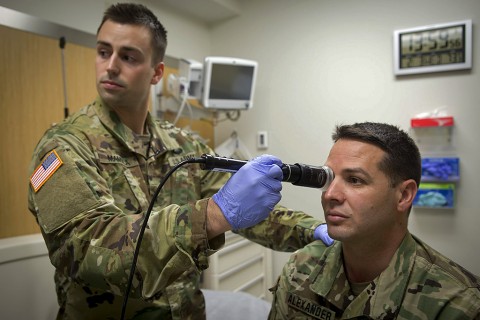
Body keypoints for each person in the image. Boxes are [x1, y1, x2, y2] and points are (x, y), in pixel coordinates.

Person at [27, 3, 332, 320]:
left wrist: (314, 230)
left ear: (157, 72)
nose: (111, 66)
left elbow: (249, 210)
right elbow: (86, 253)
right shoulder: (63, 147)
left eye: (128, 57)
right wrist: (211, 215)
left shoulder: (184, 146)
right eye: (103, 52)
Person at [269, 122, 480, 319]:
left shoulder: (458, 304)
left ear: (404, 195)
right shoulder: (301, 267)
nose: (330, 194)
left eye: (354, 180)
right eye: (329, 178)